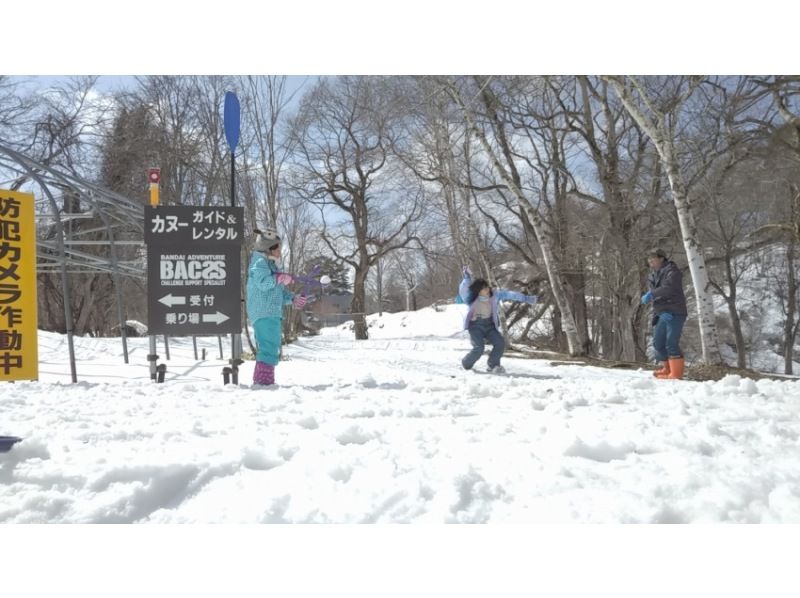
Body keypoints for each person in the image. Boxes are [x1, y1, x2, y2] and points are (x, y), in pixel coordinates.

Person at [246, 228, 306, 386]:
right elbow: (264, 283)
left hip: (270, 311)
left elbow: (277, 291)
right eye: (277, 247)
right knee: (268, 345)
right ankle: (263, 381)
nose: (280, 250)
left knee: (271, 345)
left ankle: (264, 380)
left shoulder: (269, 264)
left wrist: (293, 299)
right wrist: (279, 277)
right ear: (268, 248)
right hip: (263, 311)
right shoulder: (259, 263)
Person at [458, 267, 538, 373]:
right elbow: (463, 289)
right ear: (478, 291)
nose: (487, 289)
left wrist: (526, 298)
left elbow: (510, 294)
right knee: (479, 348)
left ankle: (493, 365)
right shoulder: (471, 298)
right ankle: (466, 364)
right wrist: (467, 277)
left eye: (487, 287)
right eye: (483, 288)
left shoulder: (495, 295)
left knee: (500, 343)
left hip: (489, 325)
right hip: (475, 326)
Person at [641, 248, 688, 380]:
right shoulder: (652, 275)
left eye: (653, 258)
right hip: (663, 313)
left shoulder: (673, 271)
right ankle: (667, 369)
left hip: (676, 311)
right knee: (658, 343)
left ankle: (676, 374)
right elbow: (656, 298)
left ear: (662, 258)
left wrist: (651, 294)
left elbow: (668, 288)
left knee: (671, 342)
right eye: (649, 259)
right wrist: (660, 311)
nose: (650, 261)